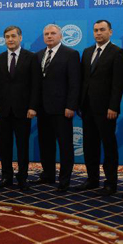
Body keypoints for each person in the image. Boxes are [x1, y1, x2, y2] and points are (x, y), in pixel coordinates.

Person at [77, 20, 123, 196]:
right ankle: (92, 179)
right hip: (87, 108)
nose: (98, 33)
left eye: (102, 30)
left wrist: (114, 106)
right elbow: (84, 80)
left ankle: (110, 182)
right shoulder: (87, 51)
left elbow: (118, 83)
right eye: (96, 30)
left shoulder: (117, 52)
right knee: (90, 146)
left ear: (110, 32)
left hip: (106, 109)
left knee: (108, 146)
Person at [35, 24, 81, 193]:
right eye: (46, 34)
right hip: (43, 109)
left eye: (53, 33)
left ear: (60, 36)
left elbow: (75, 83)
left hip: (63, 110)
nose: (49, 36)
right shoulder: (39, 55)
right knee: (45, 144)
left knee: (65, 146)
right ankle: (48, 174)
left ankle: (64, 179)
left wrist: (71, 106)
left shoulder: (71, 54)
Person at [0, 25, 38, 191]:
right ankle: (6, 176)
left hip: (23, 110)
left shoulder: (31, 57)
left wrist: (33, 107)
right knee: (4, 145)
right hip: (3, 110)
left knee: (22, 145)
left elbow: (35, 85)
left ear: (20, 38)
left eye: (13, 36)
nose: (10, 39)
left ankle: (23, 177)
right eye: (7, 37)